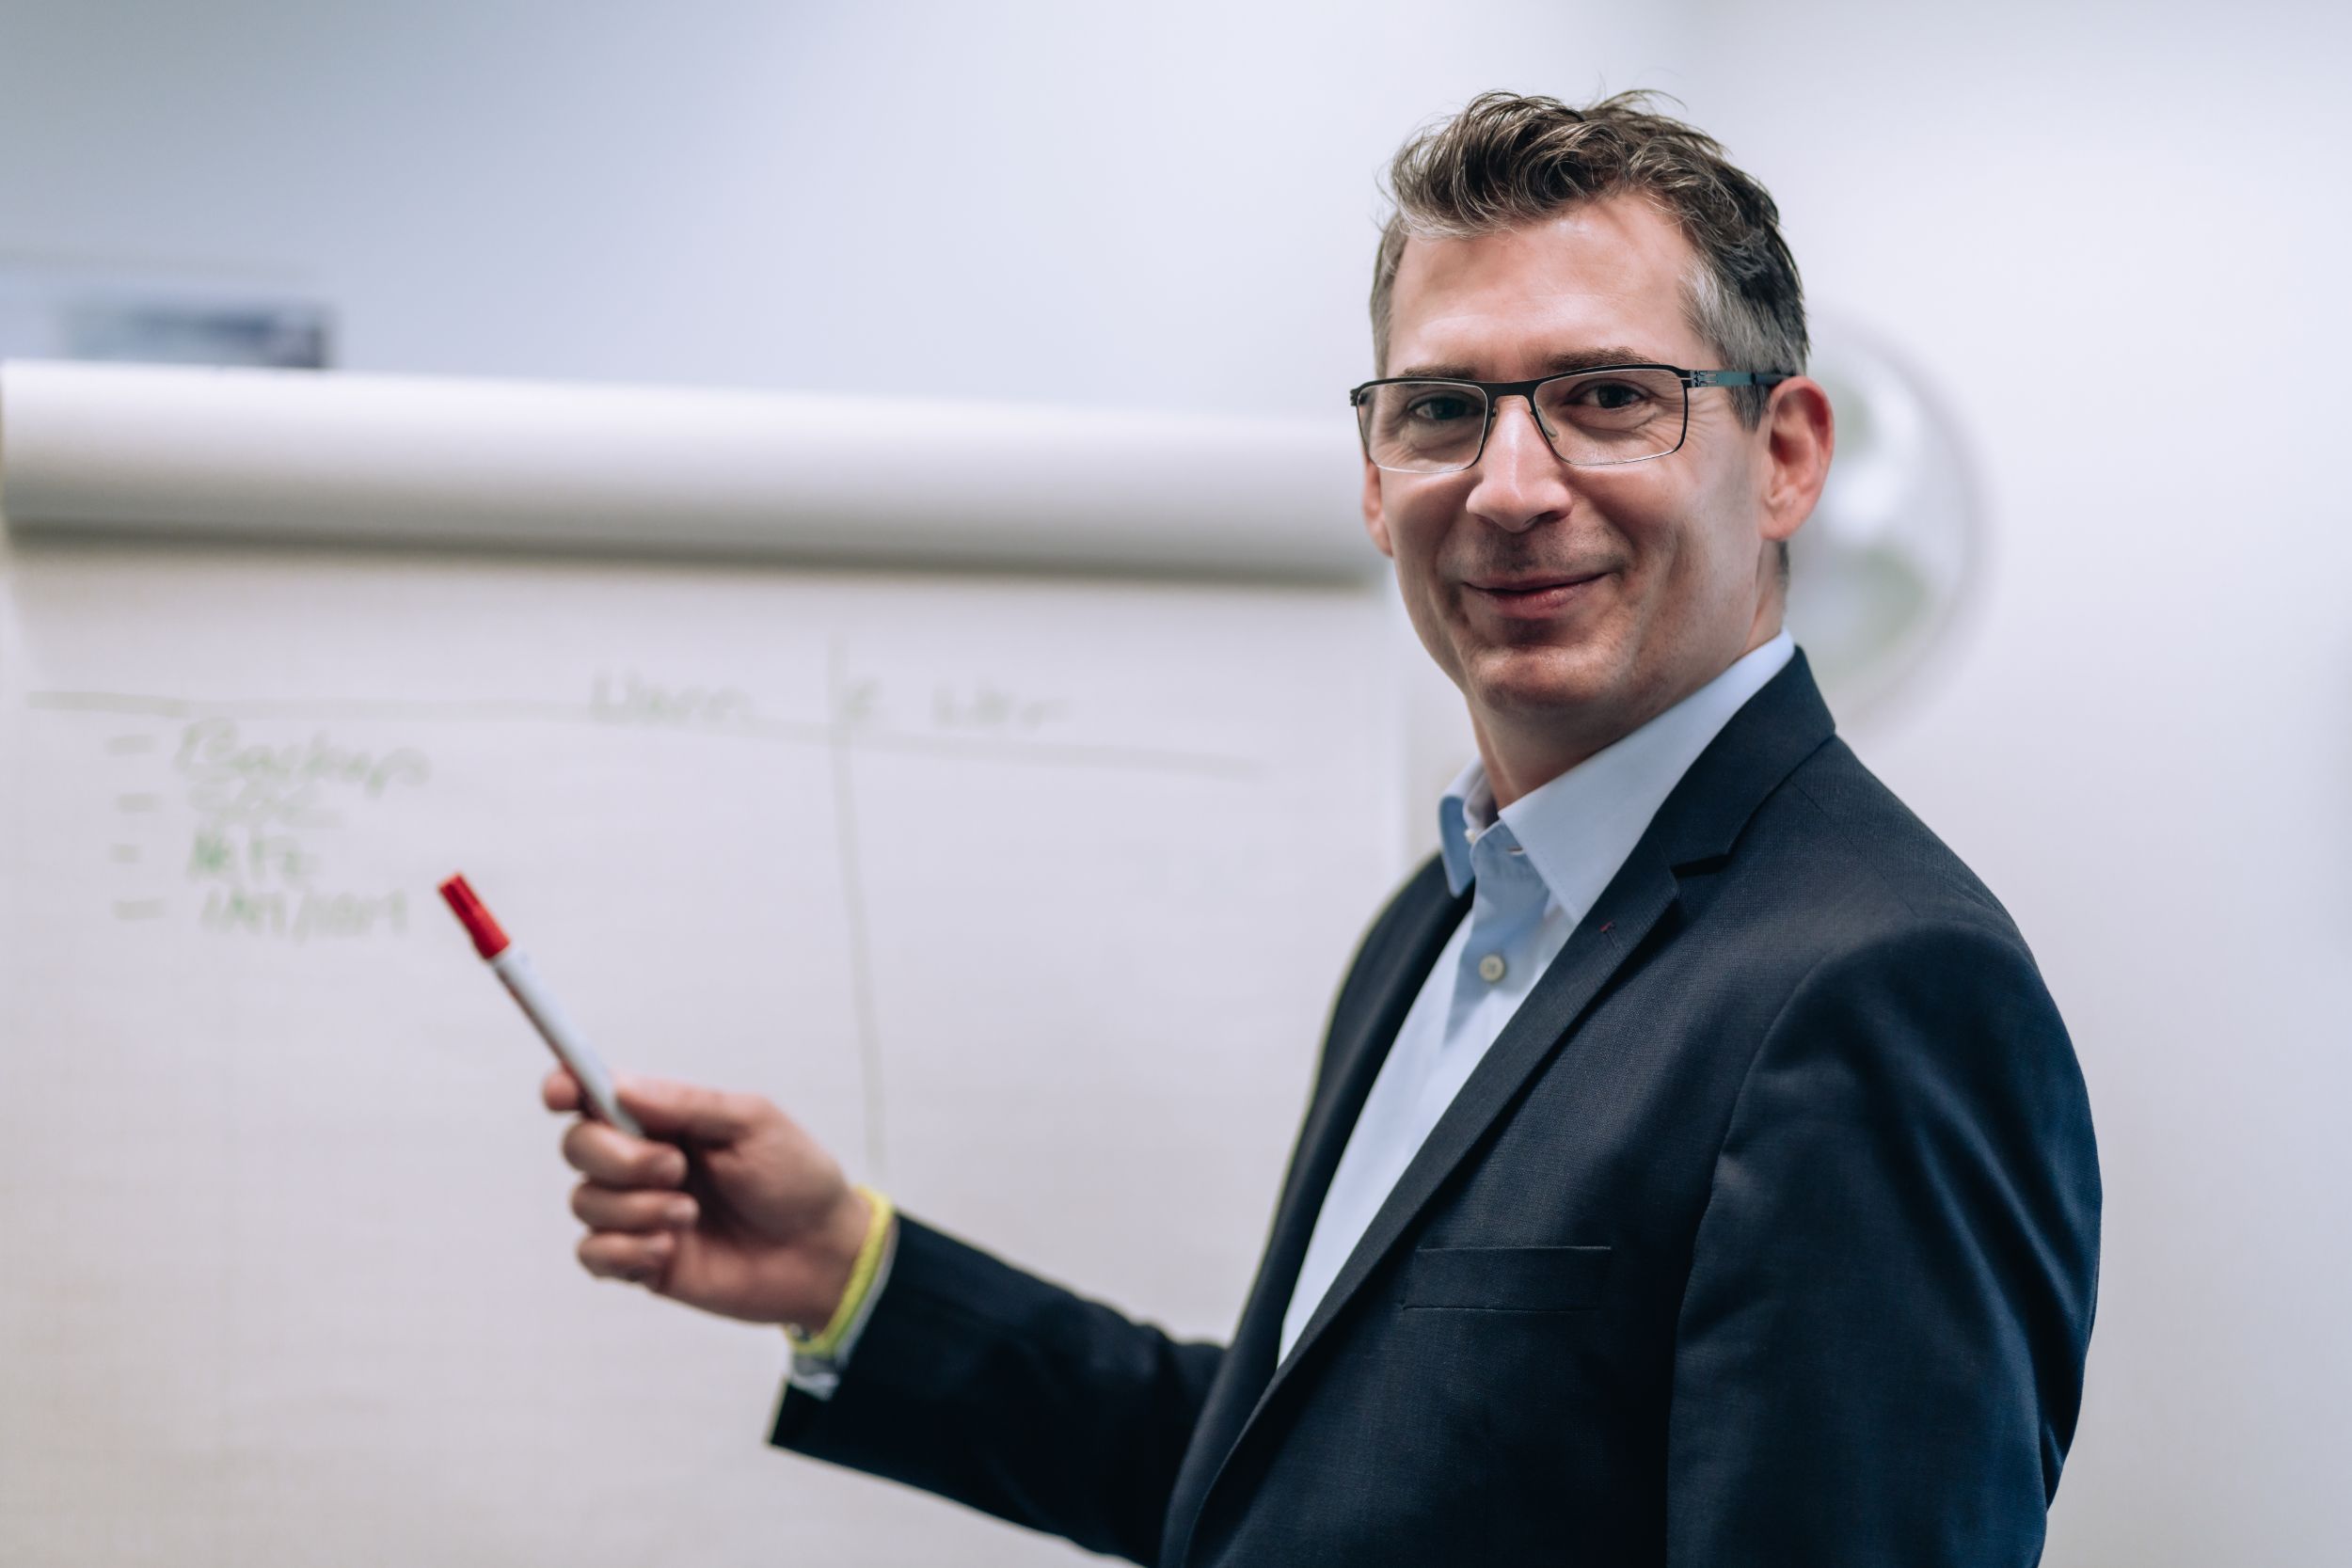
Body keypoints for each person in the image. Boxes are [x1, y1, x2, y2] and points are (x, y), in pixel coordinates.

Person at [546, 90, 2100, 1566]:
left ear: (1785, 456)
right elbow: (1300, 1488)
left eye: (1607, 398)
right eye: (1441, 410)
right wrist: (853, 1274)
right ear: (1373, 476)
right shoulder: (1436, 926)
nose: (1506, 486)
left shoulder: (1879, 990)